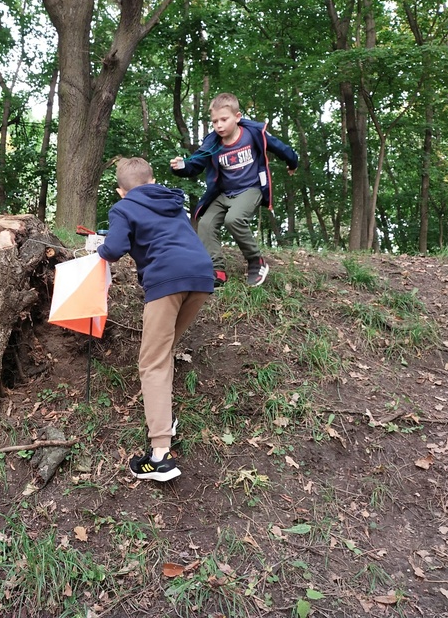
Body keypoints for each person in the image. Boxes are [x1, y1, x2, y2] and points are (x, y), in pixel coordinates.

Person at [97, 157, 215, 482]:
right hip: (201, 275)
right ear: (151, 181)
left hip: (166, 279)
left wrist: (99, 248)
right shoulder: (170, 201)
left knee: (152, 362)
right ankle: (165, 418)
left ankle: (160, 457)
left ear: (121, 190)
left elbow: (114, 249)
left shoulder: (123, 208)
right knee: (165, 351)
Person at [170, 92, 298, 288]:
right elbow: (195, 164)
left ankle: (256, 261)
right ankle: (217, 270)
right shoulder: (212, 142)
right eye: (214, 121)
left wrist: (292, 161)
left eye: (224, 119)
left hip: (250, 189)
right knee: (205, 223)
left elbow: (280, 147)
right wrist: (181, 167)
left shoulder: (254, 133)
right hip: (223, 192)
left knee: (234, 219)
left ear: (237, 117)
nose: (219, 125)